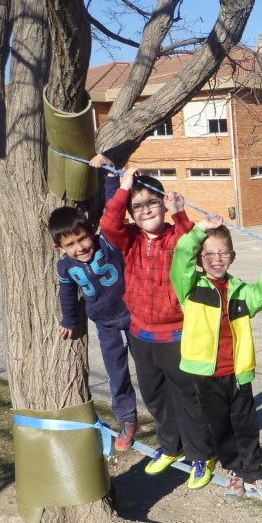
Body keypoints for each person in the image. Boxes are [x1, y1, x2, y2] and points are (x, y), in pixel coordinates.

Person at [94, 158, 213, 486]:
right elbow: (108, 225)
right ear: (131, 213)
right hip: (141, 335)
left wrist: (179, 212)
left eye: (153, 203)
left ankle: (200, 455)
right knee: (156, 396)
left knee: (186, 398)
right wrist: (123, 190)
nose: (146, 210)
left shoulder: (177, 235)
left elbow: (195, 244)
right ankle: (170, 447)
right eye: (138, 206)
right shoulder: (129, 239)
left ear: (163, 205)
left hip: (175, 335)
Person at [170, 217, 262, 499]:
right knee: (220, 426)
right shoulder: (190, 286)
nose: (216, 259)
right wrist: (199, 229)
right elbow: (181, 257)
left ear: (232, 256)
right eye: (208, 253)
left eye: (222, 252)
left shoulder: (241, 291)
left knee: (246, 425)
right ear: (200, 257)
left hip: (238, 372)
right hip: (205, 374)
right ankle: (234, 471)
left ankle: (254, 474)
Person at [49, 206, 139, 451]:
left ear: (93, 232)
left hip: (134, 315)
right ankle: (127, 418)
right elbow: (67, 295)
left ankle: (167, 416)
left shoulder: (107, 244)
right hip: (105, 323)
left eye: (83, 238)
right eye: (71, 244)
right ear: (60, 248)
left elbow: (114, 210)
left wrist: (110, 175)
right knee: (116, 371)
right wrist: (69, 320)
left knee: (148, 368)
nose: (80, 247)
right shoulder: (65, 268)